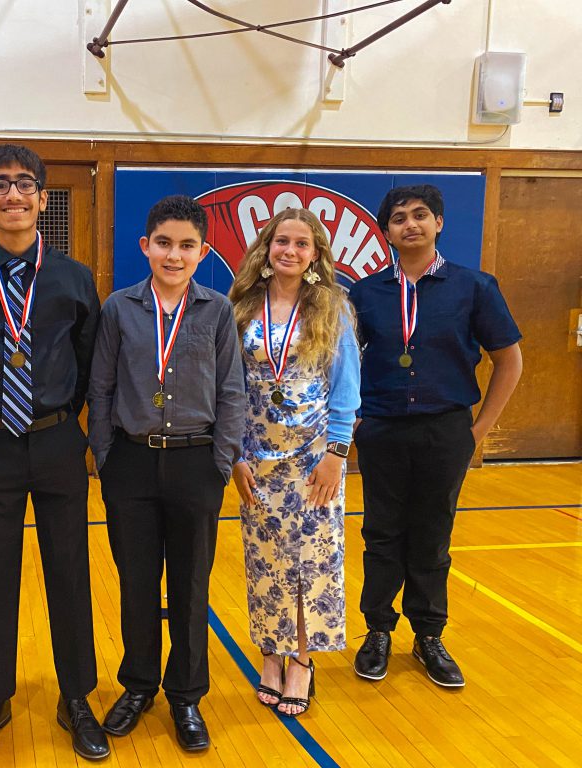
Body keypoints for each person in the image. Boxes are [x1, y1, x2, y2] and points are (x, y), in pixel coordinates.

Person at [0, 144, 108, 761]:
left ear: (41, 197)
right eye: (0, 185)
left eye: (25, 183)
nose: (14, 194)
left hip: (59, 438)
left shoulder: (73, 278)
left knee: (69, 570)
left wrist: (62, 418)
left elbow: (88, 364)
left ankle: (77, 695)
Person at [88, 195, 245, 750]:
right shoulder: (118, 308)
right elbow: (101, 388)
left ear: (202, 252)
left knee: (189, 586)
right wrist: (106, 459)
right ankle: (138, 686)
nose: (173, 255)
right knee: (136, 583)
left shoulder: (217, 311)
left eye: (185, 246)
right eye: (164, 244)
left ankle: (186, 696)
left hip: (196, 461)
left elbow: (232, 390)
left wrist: (220, 462)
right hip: (130, 461)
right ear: (145, 247)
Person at [350, 184, 521, 688]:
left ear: (439, 223)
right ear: (386, 232)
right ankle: (378, 630)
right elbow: (339, 360)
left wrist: (480, 431)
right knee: (381, 533)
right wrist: (354, 416)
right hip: (381, 428)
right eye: (399, 218)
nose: (411, 224)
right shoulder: (365, 293)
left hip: (446, 429)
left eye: (420, 215)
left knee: (432, 535)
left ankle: (428, 635)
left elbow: (509, 359)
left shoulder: (475, 287)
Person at [227, 207, 360, 718]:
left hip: (314, 457)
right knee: (266, 559)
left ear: (315, 253)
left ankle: (301, 659)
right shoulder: (241, 306)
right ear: (267, 246)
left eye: (302, 243)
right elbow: (230, 386)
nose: (290, 250)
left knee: (310, 561)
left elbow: (347, 388)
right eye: (282, 240)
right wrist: (236, 453)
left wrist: (337, 453)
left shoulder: (333, 307)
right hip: (257, 455)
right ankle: (269, 653)